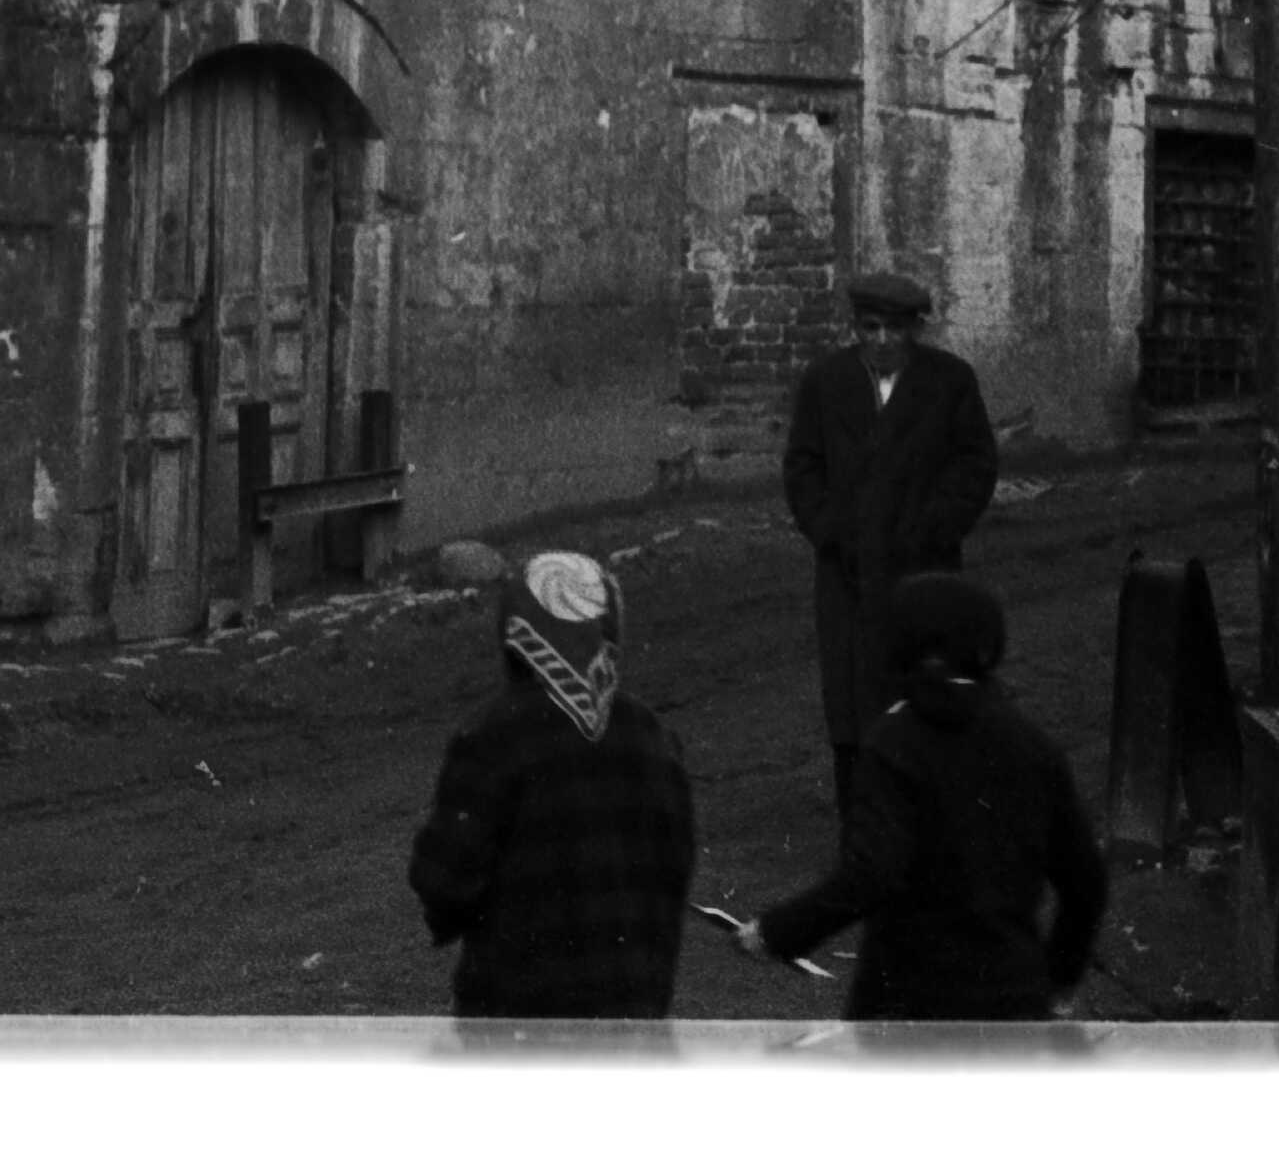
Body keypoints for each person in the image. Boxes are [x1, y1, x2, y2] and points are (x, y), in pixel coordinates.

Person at [738, 574, 1110, 1023]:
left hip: (906, 1001)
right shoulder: (1034, 746)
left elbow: (871, 873)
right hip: (1012, 999)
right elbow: (1086, 881)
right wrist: (1060, 979)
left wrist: (778, 932)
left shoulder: (894, 744)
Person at [406, 549, 699, 1023]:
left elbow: (444, 879)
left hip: (518, 1015)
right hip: (637, 1006)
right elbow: (676, 865)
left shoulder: (494, 733)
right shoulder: (653, 735)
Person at [777, 267, 998, 805]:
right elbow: (803, 467)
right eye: (869, 328)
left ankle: (927, 812)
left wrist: (936, 527)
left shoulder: (949, 382)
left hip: (925, 569)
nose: (881, 341)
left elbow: (975, 465)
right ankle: (860, 819)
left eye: (894, 330)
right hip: (847, 573)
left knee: (924, 689)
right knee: (851, 702)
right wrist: (829, 530)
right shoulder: (826, 382)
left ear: (914, 329)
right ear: (855, 327)